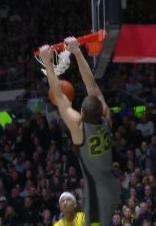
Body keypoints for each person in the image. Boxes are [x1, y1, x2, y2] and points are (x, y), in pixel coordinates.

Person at [39, 37, 120, 226]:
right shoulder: (106, 117)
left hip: (97, 189)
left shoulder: (79, 127)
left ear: (81, 113)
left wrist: (48, 62)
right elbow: (92, 86)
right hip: (110, 184)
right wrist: (77, 52)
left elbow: (59, 97)